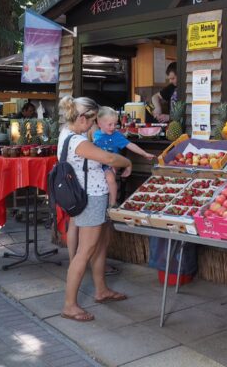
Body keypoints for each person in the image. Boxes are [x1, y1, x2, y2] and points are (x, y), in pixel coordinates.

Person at [58, 96, 131, 322]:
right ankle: (70, 305)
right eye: (91, 120)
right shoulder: (78, 142)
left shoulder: (67, 133)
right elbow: (108, 157)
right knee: (85, 252)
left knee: (99, 247)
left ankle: (101, 290)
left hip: (92, 197)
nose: (93, 124)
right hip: (90, 198)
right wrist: (127, 162)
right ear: (81, 118)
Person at [93, 107, 154, 207]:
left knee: (110, 178)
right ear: (99, 124)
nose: (113, 127)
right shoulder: (95, 134)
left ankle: (112, 203)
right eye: (110, 124)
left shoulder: (116, 135)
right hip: (96, 164)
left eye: (115, 124)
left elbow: (130, 145)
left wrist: (144, 153)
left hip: (110, 164)